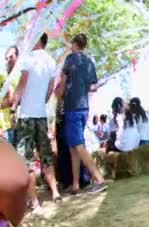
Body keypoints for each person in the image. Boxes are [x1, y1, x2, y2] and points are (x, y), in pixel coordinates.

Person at [11, 33, 61, 207]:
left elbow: (22, 83)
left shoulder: (29, 58)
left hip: (26, 116)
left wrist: (14, 103)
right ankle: (55, 193)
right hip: (41, 115)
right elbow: (49, 90)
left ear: (38, 39)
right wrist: (41, 102)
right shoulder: (51, 61)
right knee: (46, 155)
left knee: (26, 160)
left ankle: (34, 201)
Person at [54, 33, 107, 194]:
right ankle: (76, 184)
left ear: (74, 44)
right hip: (84, 108)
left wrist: (58, 97)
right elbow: (92, 87)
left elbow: (62, 82)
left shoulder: (70, 59)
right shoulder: (89, 62)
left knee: (77, 145)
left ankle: (99, 179)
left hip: (72, 108)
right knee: (73, 147)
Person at [1, 46, 19, 145]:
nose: (8, 60)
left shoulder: (22, 74)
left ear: (17, 57)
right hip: (6, 125)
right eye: (6, 58)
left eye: (11, 57)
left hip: (20, 123)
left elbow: (13, 98)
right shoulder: (3, 77)